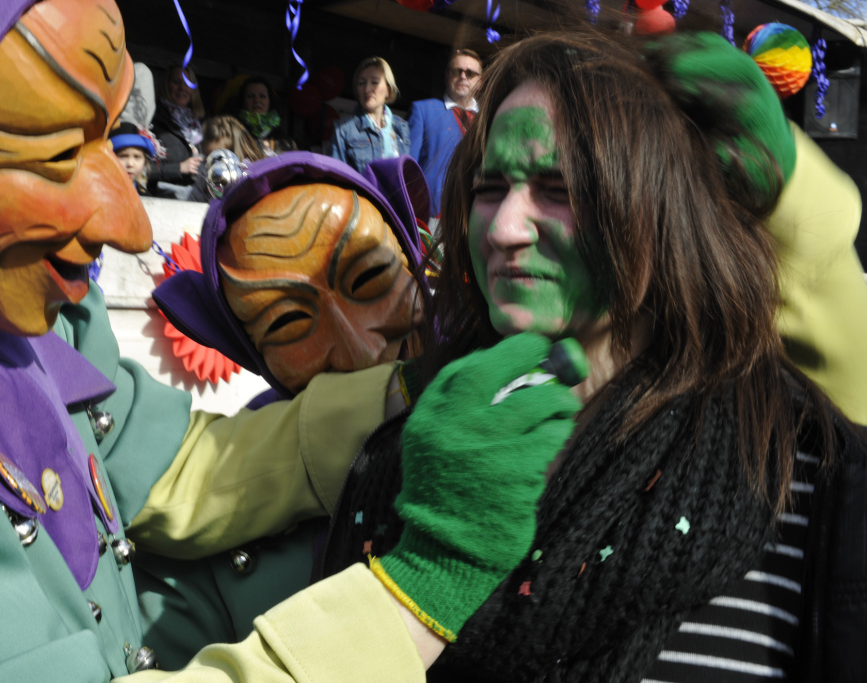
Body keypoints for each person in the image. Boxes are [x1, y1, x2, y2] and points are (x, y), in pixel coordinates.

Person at [0, 0, 566, 679]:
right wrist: (414, 598)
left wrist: (408, 387)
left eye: (110, 137)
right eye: (62, 151)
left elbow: (172, 470)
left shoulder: (20, 317)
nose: (127, 223)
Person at [316, 30, 867, 682]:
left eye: (560, 187)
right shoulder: (406, 446)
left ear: (665, 214)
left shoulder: (790, 469)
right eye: (492, 187)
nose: (503, 228)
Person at [136, 151, 431, 667]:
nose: (360, 351)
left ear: (413, 262)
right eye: (289, 323)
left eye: (370, 280)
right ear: (253, 353)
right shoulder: (216, 536)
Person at [408, 48, 483, 217]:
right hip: (432, 216)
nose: (463, 76)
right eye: (457, 71)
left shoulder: (490, 118)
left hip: (476, 215)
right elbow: (409, 169)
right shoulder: (423, 110)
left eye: (470, 73)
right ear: (447, 75)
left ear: (480, 81)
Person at [331, 56, 411, 174]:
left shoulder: (402, 127)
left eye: (375, 82)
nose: (367, 89)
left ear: (388, 89)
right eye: (361, 83)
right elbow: (335, 177)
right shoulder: (344, 129)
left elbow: (409, 176)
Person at [185, 115, 267, 203]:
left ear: (239, 150)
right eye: (210, 157)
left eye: (220, 158)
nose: (215, 165)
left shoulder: (255, 172)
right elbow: (193, 202)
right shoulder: (205, 174)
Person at [150, 64, 204, 192]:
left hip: (195, 198)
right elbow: (141, 168)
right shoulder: (154, 120)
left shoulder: (198, 125)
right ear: (166, 86)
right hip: (163, 199)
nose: (182, 88)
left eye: (188, 83)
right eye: (176, 82)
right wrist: (179, 168)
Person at [111, 121, 174, 198]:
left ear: (145, 161)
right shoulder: (96, 192)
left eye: (137, 157)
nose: (130, 164)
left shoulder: (145, 197)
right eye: (123, 156)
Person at [234, 76, 296, 155]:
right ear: (243, 102)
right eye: (250, 96)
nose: (256, 100)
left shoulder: (286, 142)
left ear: (270, 101)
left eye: (262, 96)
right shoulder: (233, 135)